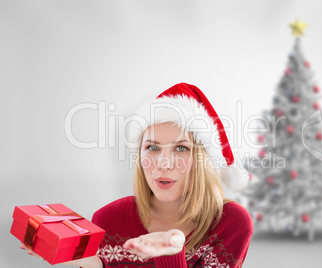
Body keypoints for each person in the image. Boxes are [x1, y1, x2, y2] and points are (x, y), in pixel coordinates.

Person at [20, 82, 253, 267]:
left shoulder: (231, 224)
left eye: (181, 148)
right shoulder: (106, 220)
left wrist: (170, 256)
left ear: (202, 160)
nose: (163, 164)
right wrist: (90, 263)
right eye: (152, 147)